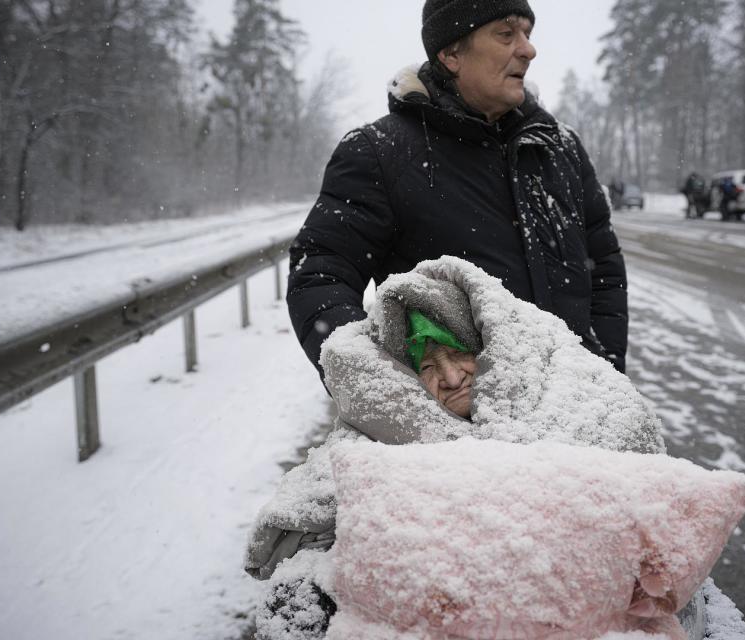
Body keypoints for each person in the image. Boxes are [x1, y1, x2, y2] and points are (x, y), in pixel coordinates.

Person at [248, 257, 665, 639]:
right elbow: (288, 533)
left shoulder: (565, 391)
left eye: (458, 353)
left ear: (486, 347)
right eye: (427, 366)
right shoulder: (386, 429)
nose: (448, 377)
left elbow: (636, 466)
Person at [287, 0, 629, 379]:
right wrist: (396, 393)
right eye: (506, 33)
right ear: (451, 53)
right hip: (460, 430)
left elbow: (605, 274)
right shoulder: (379, 153)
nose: (528, 49)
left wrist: (605, 373)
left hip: (574, 412)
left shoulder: (560, 149)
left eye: (528, 34)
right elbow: (320, 278)